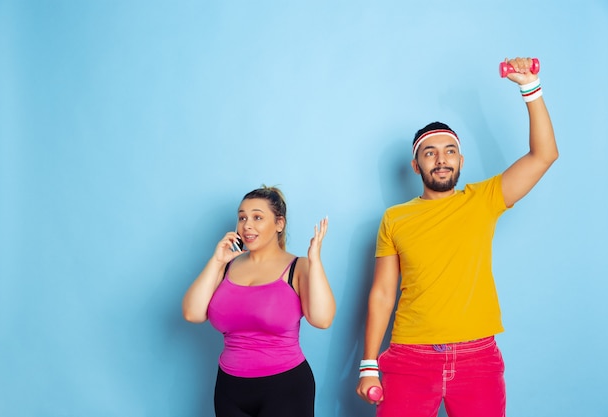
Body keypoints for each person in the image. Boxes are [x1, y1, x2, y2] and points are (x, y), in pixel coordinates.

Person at [355, 57, 558, 417]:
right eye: (430, 153)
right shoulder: (395, 218)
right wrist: (368, 362)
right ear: (417, 166)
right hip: (409, 357)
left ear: (461, 161)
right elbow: (383, 293)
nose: (441, 159)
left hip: (478, 358)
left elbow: (544, 155)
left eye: (449, 151)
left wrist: (530, 88)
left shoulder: (483, 199)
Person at [182, 185, 336, 417]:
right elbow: (192, 313)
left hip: (285, 388)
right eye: (242, 217)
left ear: (279, 224)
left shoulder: (298, 267)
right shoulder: (226, 267)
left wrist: (315, 261)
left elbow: (322, 319)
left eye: (257, 217)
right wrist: (216, 261)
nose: (247, 225)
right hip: (229, 388)